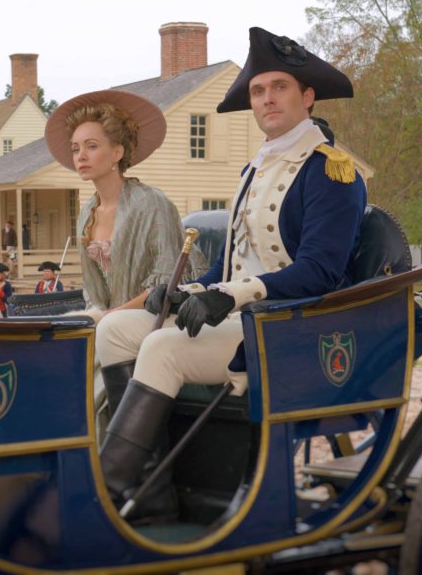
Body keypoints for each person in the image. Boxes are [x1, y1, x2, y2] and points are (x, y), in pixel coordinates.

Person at [93, 27, 367, 522]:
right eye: (258, 91)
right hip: (242, 320)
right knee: (115, 330)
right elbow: (234, 265)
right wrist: (187, 291)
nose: (266, 99)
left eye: (278, 87)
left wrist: (234, 296)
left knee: (162, 347)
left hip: (287, 329)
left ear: (307, 96)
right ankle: (152, 498)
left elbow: (321, 272)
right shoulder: (254, 170)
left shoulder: (331, 170)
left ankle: (104, 493)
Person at [43, 88, 205, 319]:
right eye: (75, 148)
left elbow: (167, 282)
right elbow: (93, 289)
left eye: (91, 146)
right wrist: (98, 317)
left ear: (117, 152)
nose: (81, 156)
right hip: (110, 318)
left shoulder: (152, 203)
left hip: (161, 314)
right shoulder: (87, 213)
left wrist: (109, 317)